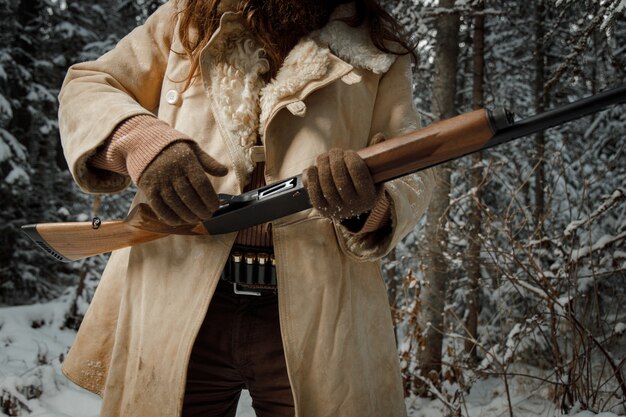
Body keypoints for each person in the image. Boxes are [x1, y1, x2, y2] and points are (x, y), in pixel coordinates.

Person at [57, 0, 434, 415]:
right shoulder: (185, 22)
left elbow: (415, 168)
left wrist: (369, 205)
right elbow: (87, 86)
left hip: (319, 314)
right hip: (178, 297)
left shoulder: (374, 47)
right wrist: (142, 143)